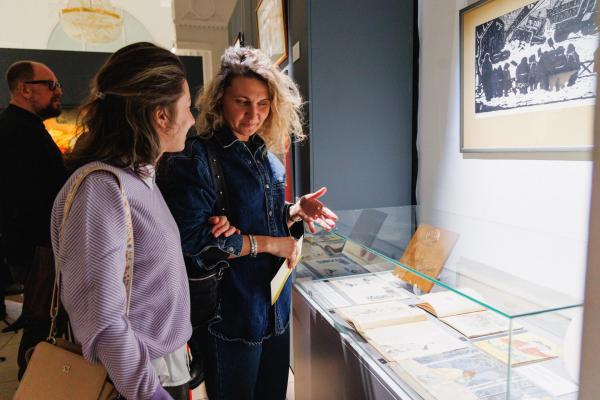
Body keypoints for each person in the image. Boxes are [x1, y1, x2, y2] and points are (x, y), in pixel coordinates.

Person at [51, 42, 236, 400]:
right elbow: (103, 320)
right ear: (160, 116)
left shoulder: (139, 179)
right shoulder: (101, 190)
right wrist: (149, 392)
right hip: (136, 380)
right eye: (187, 107)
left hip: (161, 367)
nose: (192, 119)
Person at [158, 46, 338, 400]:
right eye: (242, 102)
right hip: (230, 314)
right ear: (220, 99)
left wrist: (294, 210)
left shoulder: (266, 157)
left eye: (263, 104)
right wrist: (270, 244)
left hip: (274, 307)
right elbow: (191, 242)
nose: (253, 114)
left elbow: (259, 213)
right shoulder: (196, 157)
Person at [0, 60, 67, 378]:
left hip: (36, 247)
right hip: (37, 250)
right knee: (43, 323)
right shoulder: (16, 132)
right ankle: (34, 384)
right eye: (51, 85)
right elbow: (29, 198)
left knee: (43, 322)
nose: (59, 91)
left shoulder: (23, 127)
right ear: (25, 89)